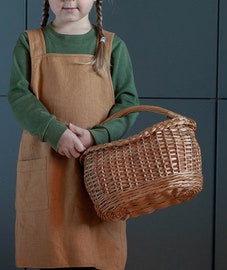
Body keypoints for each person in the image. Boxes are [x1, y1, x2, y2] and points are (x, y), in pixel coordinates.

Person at [8, 0, 139, 269]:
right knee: (50, 253)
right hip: (47, 169)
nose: (69, 1)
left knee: (98, 253)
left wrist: (97, 136)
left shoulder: (113, 46)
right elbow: (19, 97)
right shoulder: (29, 43)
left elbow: (127, 104)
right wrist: (55, 132)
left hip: (99, 171)